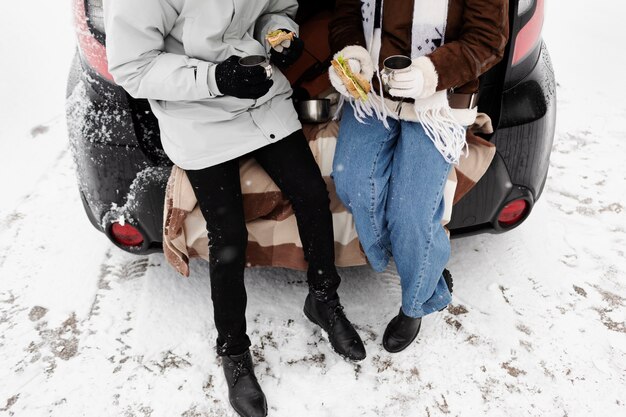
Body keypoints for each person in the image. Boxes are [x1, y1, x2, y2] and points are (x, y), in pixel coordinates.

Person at [104, 1, 365, 416]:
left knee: (312, 195)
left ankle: (322, 297)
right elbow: (132, 67)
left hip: (260, 97)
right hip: (196, 115)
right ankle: (234, 352)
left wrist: (277, 36)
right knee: (228, 235)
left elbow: (275, 9)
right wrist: (216, 77)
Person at [328, 0, 509, 353]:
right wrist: (350, 54)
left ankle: (417, 302)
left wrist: (430, 74)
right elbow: (345, 12)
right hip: (373, 94)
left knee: (411, 214)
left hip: (440, 99)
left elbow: (489, 39)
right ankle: (419, 266)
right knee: (353, 184)